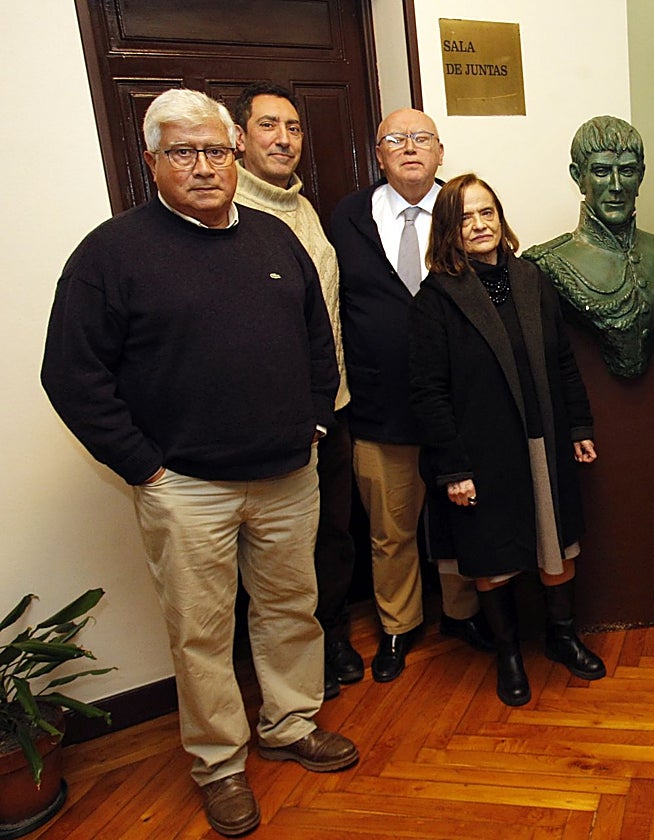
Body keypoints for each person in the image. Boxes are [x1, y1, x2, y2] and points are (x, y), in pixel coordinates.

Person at [40, 88, 358, 838]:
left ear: (235, 152)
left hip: (287, 475)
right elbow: (71, 374)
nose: (204, 165)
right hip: (185, 487)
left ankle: (290, 723)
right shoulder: (111, 254)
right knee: (203, 633)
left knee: (290, 613)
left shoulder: (276, 240)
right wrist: (144, 466)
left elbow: (320, 340)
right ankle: (220, 765)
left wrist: (314, 420)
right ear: (151, 160)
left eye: (216, 149)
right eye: (183, 151)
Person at [408, 174, 605, 707]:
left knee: (556, 545)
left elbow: (563, 360)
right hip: (482, 454)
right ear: (449, 228)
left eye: (487, 212)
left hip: (544, 439)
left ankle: (562, 638)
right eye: (466, 217)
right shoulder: (436, 299)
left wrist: (580, 427)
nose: (479, 225)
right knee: (493, 558)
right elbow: (428, 392)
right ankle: (509, 654)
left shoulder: (530, 279)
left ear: (501, 217)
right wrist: (452, 468)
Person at [330, 108, 494, 685]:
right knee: (390, 527)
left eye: (421, 138)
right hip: (380, 407)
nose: (409, 148)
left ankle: (463, 614)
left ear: (440, 151)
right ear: (378, 156)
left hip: (457, 404)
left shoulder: (463, 210)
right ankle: (398, 626)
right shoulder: (347, 217)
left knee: (460, 514)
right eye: (395, 140)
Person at [230, 82, 361, 701]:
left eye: (294, 128)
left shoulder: (304, 210)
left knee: (333, 534)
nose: (283, 139)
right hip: (276, 424)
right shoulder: (230, 212)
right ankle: (282, 671)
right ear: (239, 138)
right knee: (273, 555)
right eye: (267, 126)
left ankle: (332, 636)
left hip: (331, 407)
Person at [524, 115, 654, 378]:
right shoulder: (547, 262)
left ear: (641, 175)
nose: (616, 186)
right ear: (579, 176)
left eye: (627, 171)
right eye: (601, 171)